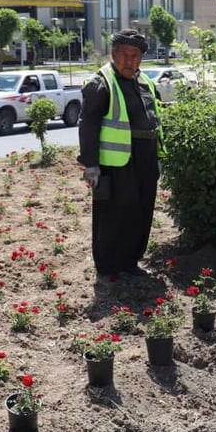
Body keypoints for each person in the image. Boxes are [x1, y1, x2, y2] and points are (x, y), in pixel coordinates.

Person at [77, 29, 164, 280]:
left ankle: (130, 262)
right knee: (112, 215)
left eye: (135, 55)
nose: (129, 60)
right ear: (114, 54)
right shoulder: (101, 83)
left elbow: (156, 120)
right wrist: (91, 165)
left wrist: (158, 156)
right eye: (124, 55)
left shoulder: (145, 82)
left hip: (145, 159)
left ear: (141, 58)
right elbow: (88, 124)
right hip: (114, 164)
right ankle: (107, 268)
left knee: (141, 211)